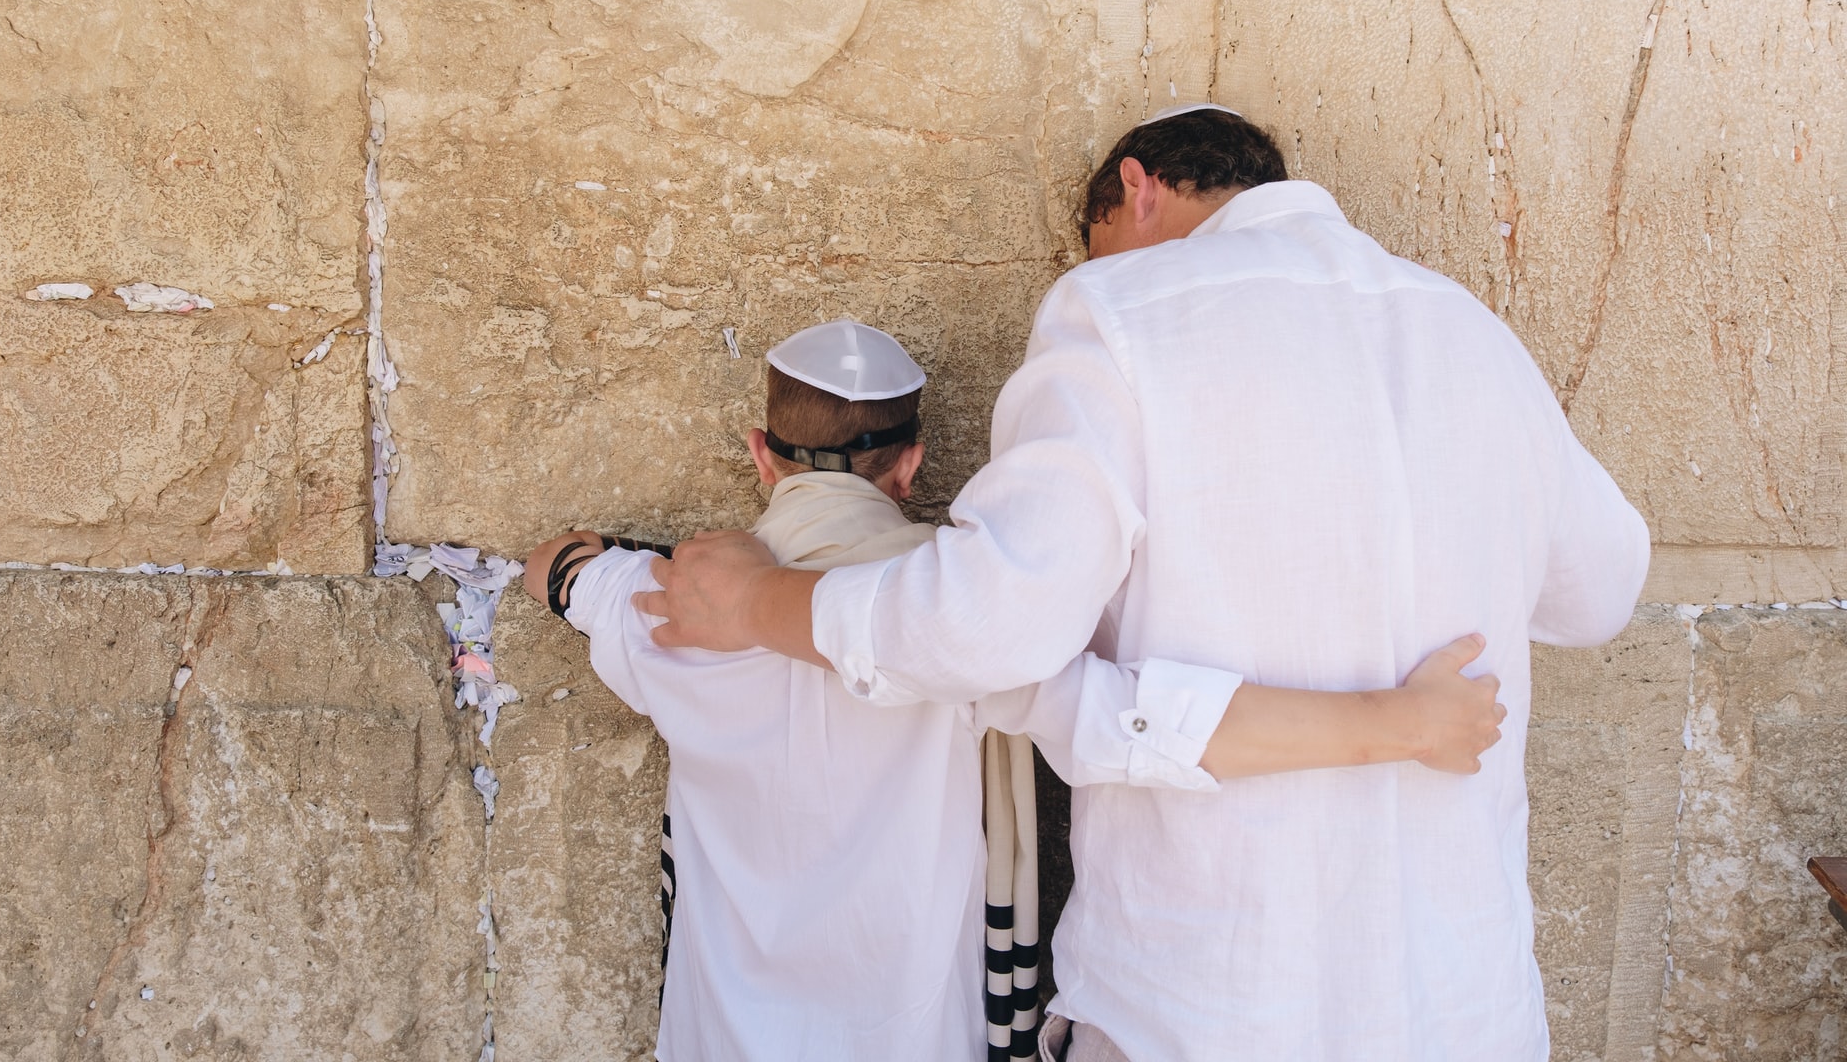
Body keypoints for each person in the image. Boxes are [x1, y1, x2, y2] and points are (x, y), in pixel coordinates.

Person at [636, 106, 1653, 1062]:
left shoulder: (1121, 311)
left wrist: (756, 603)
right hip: (1463, 1005)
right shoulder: (1470, 329)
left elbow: (986, 624)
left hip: (1204, 1000)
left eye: (1096, 239)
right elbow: (1601, 589)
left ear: (1138, 187)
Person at [528, 315, 1508, 1062]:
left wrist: (621, 561)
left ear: (759, 451)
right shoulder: (964, 618)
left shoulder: (665, 608)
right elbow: (1146, 724)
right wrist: (1404, 722)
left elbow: (555, 568)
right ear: (911, 464)